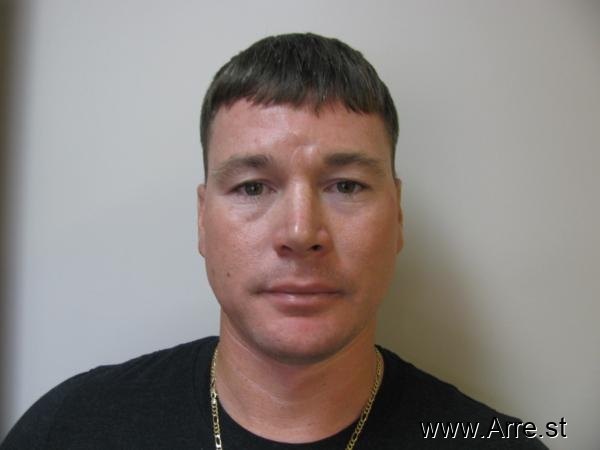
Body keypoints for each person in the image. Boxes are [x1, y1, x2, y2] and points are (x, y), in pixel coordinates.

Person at [1, 33, 547, 449]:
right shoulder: (68, 430)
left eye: (346, 185)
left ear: (398, 216)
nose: (301, 233)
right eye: (252, 186)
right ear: (202, 221)